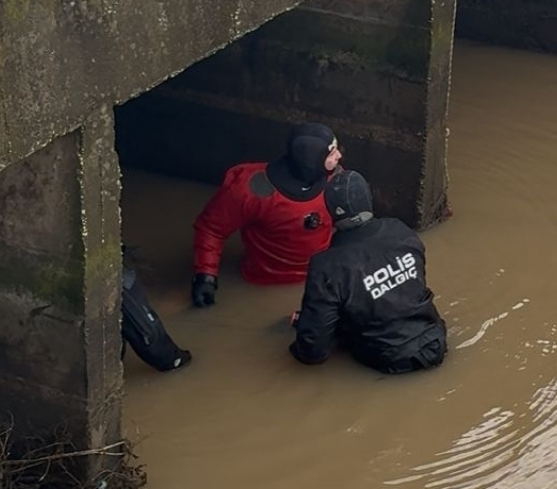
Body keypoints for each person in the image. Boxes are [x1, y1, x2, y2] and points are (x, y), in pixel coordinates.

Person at [289, 170, 447, 374]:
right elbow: (408, 290)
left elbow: (312, 352)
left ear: (330, 212)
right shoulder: (401, 231)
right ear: (368, 198)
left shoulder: (326, 266)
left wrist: (302, 329)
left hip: (388, 360)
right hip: (436, 337)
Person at [191, 122, 344, 307]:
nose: (339, 156)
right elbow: (212, 229)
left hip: (319, 276)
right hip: (265, 282)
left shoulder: (336, 179)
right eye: (332, 151)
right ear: (312, 159)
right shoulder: (251, 189)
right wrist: (206, 277)